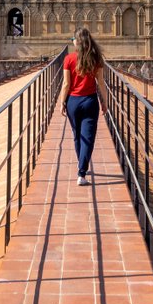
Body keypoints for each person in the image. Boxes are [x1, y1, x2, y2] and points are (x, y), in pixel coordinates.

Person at [59, 27, 109, 186]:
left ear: (77, 42)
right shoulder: (96, 58)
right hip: (90, 101)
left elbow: (66, 84)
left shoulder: (69, 59)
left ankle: (82, 163)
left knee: (77, 135)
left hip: (73, 102)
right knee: (88, 137)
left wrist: (62, 102)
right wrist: (105, 102)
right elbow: (101, 83)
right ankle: (81, 171)